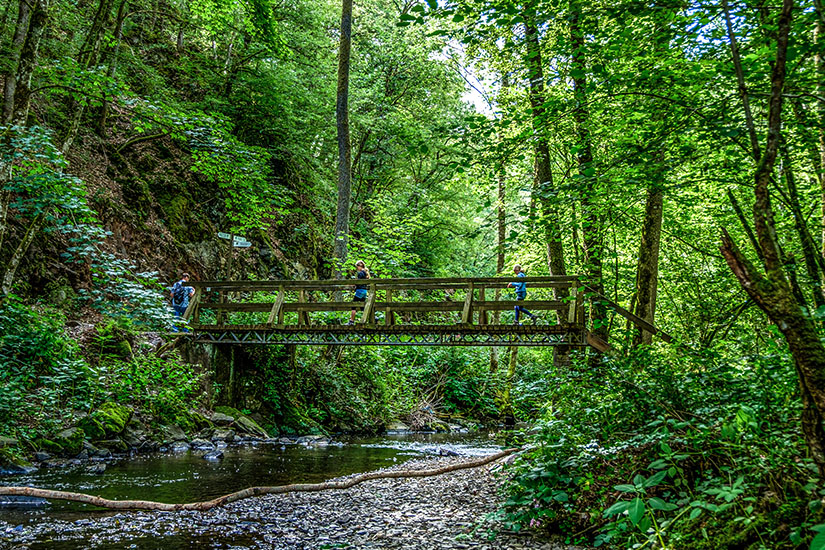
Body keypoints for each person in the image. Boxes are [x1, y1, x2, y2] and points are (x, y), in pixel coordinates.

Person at [349, 260, 370, 325]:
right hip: (364, 291)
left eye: (357, 267)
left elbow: (358, 282)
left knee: (353, 306)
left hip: (359, 291)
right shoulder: (366, 273)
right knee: (362, 307)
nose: (356, 268)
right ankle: (374, 318)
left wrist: (354, 285)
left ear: (359, 266)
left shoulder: (360, 273)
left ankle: (351, 321)